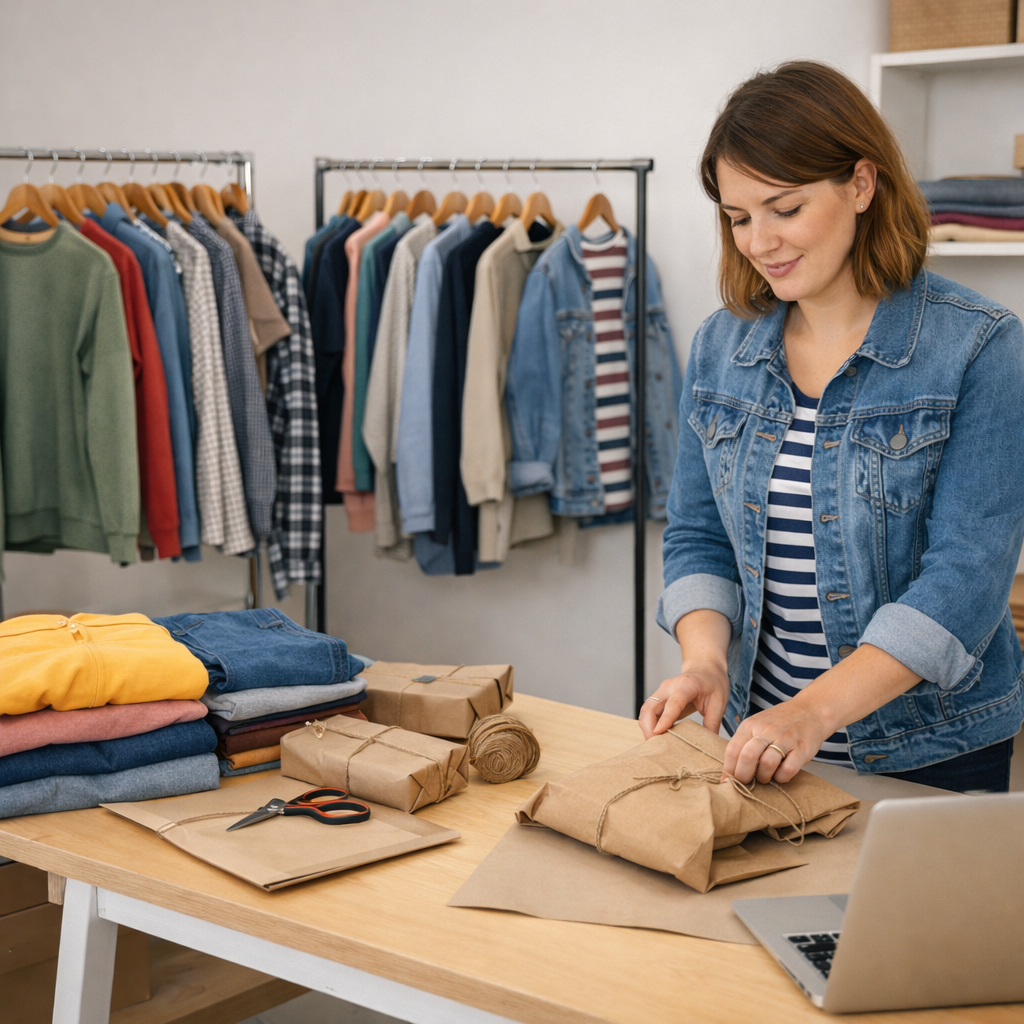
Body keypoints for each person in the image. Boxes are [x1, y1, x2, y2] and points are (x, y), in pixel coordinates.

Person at [640, 61, 1024, 794]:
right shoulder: (723, 347)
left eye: (784, 209)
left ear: (860, 184)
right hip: (764, 748)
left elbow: (968, 578)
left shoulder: (979, 346)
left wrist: (811, 713)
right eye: (738, 217)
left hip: (933, 752)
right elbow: (698, 535)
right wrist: (705, 661)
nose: (758, 241)